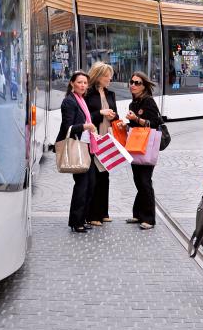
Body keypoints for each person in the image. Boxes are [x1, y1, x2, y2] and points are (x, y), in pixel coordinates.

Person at [55, 70, 98, 233]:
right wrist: (85, 126)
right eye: (79, 82)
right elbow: (68, 127)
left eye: (85, 83)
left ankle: (83, 218)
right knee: (82, 185)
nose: (83, 85)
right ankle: (76, 221)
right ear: (72, 83)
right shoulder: (69, 102)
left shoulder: (81, 100)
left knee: (91, 183)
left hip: (87, 146)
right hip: (77, 147)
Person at [126, 71, 161, 230]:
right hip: (135, 146)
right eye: (131, 82)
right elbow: (134, 127)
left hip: (147, 147)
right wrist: (126, 125)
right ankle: (138, 214)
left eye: (137, 83)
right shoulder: (133, 103)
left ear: (144, 86)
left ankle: (149, 218)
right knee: (138, 180)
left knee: (145, 181)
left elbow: (154, 123)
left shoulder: (148, 102)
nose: (133, 85)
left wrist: (136, 119)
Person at [85, 61, 119, 225]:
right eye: (107, 76)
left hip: (107, 138)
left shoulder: (110, 94)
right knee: (94, 177)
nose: (109, 79)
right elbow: (86, 117)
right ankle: (92, 215)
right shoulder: (88, 94)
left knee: (105, 176)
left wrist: (114, 116)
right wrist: (100, 113)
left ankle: (103, 212)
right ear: (98, 77)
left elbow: (115, 115)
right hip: (93, 139)